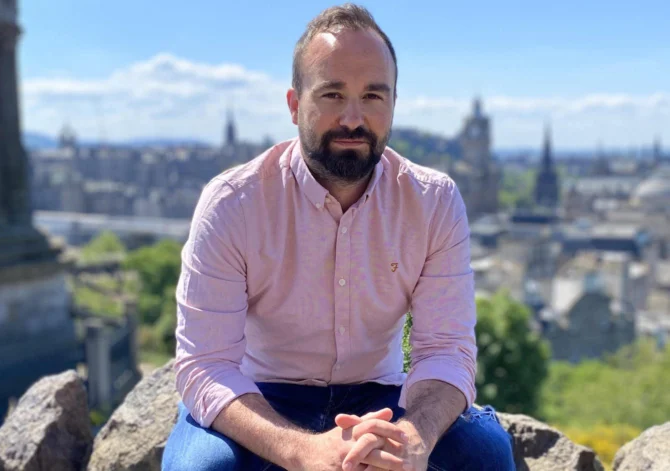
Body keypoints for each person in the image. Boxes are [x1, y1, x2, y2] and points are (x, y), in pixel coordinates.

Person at [162, 4, 515, 470]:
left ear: (393, 105)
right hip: (261, 393)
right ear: (295, 105)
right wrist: (302, 452)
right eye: (332, 94)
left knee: (486, 455)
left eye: (373, 96)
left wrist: (415, 436)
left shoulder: (433, 201)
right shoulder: (233, 202)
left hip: (384, 398)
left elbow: (447, 350)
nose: (353, 118)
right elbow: (205, 363)